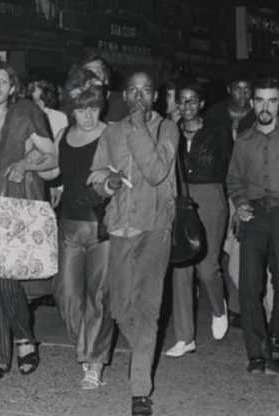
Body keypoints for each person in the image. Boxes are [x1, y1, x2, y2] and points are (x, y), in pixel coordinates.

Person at [88, 70, 179, 416]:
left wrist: (139, 126)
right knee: (120, 309)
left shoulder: (165, 128)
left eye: (146, 91)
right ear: (123, 96)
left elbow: (156, 172)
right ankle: (143, 348)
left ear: (154, 96)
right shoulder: (111, 132)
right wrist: (107, 184)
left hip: (155, 228)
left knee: (147, 310)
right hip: (120, 227)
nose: (140, 97)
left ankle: (140, 387)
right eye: (133, 91)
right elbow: (95, 175)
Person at [0, 59, 56, 380]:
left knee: (4, 276)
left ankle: (23, 338)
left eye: (2, 81)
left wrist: (26, 163)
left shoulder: (25, 113)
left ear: (11, 87)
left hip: (14, 208)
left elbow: (54, 160)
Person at [43, 85, 113, 389]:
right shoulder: (63, 136)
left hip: (103, 227)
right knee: (66, 294)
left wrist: (112, 177)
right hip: (69, 224)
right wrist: (27, 163)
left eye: (93, 108)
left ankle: (93, 363)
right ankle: (87, 347)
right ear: (72, 109)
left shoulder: (112, 134)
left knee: (98, 296)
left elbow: (128, 174)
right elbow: (53, 171)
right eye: (82, 108)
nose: (88, 115)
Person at [165, 82, 231, 358]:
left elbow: (230, 168)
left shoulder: (217, 132)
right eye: (183, 101)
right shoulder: (171, 131)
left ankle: (219, 308)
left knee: (207, 267)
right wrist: (171, 127)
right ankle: (184, 337)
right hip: (181, 197)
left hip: (211, 196)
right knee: (181, 266)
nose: (188, 106)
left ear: (201, 104)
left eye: (193, 101)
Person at [226, 77, 279, 375]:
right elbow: (233, 179)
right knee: (249, 285)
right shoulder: (244, 140)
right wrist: (241, 203)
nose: (265, 106)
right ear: (253, 102)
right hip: (255, 215)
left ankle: (277, 340)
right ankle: (256, 352)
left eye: (272, 100)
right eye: (260, 100)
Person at [208, 74, 256, 325]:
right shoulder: (215, 114)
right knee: (219, 248)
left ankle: (239, 306)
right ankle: (226, 300)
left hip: (246, 189)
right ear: (229, 89)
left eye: (247, 89)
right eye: (238, 88)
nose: (243, 94)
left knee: (241, 246)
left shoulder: (260, 113)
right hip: (217, 187)